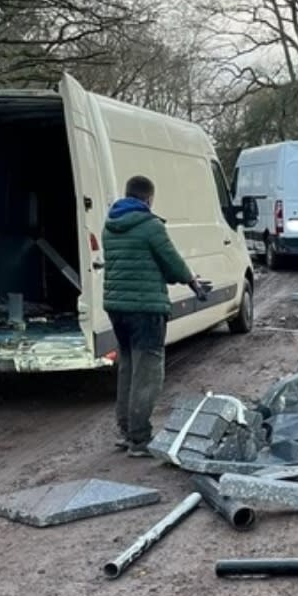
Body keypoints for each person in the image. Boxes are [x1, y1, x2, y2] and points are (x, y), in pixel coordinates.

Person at [103, 175, 206, 457]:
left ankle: (125, 431)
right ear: (148, 199)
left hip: (117, 308)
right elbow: (171, 263)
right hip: (146, 310)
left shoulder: (110, 225)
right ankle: (140, 439)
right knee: (147, 373)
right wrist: (193, 282)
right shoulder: (150, 226)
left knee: (127, 367)